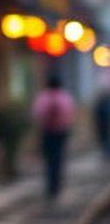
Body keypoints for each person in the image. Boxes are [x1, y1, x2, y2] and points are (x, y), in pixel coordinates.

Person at [32, 71, 76, 200]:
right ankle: (56, 185)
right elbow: (70, 115)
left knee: (49, 159)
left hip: (47, 132)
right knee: (59, 158)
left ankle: (50, 186)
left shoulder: (43, 98)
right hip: (61, 132)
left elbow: (36, 114)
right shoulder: (65, 97)